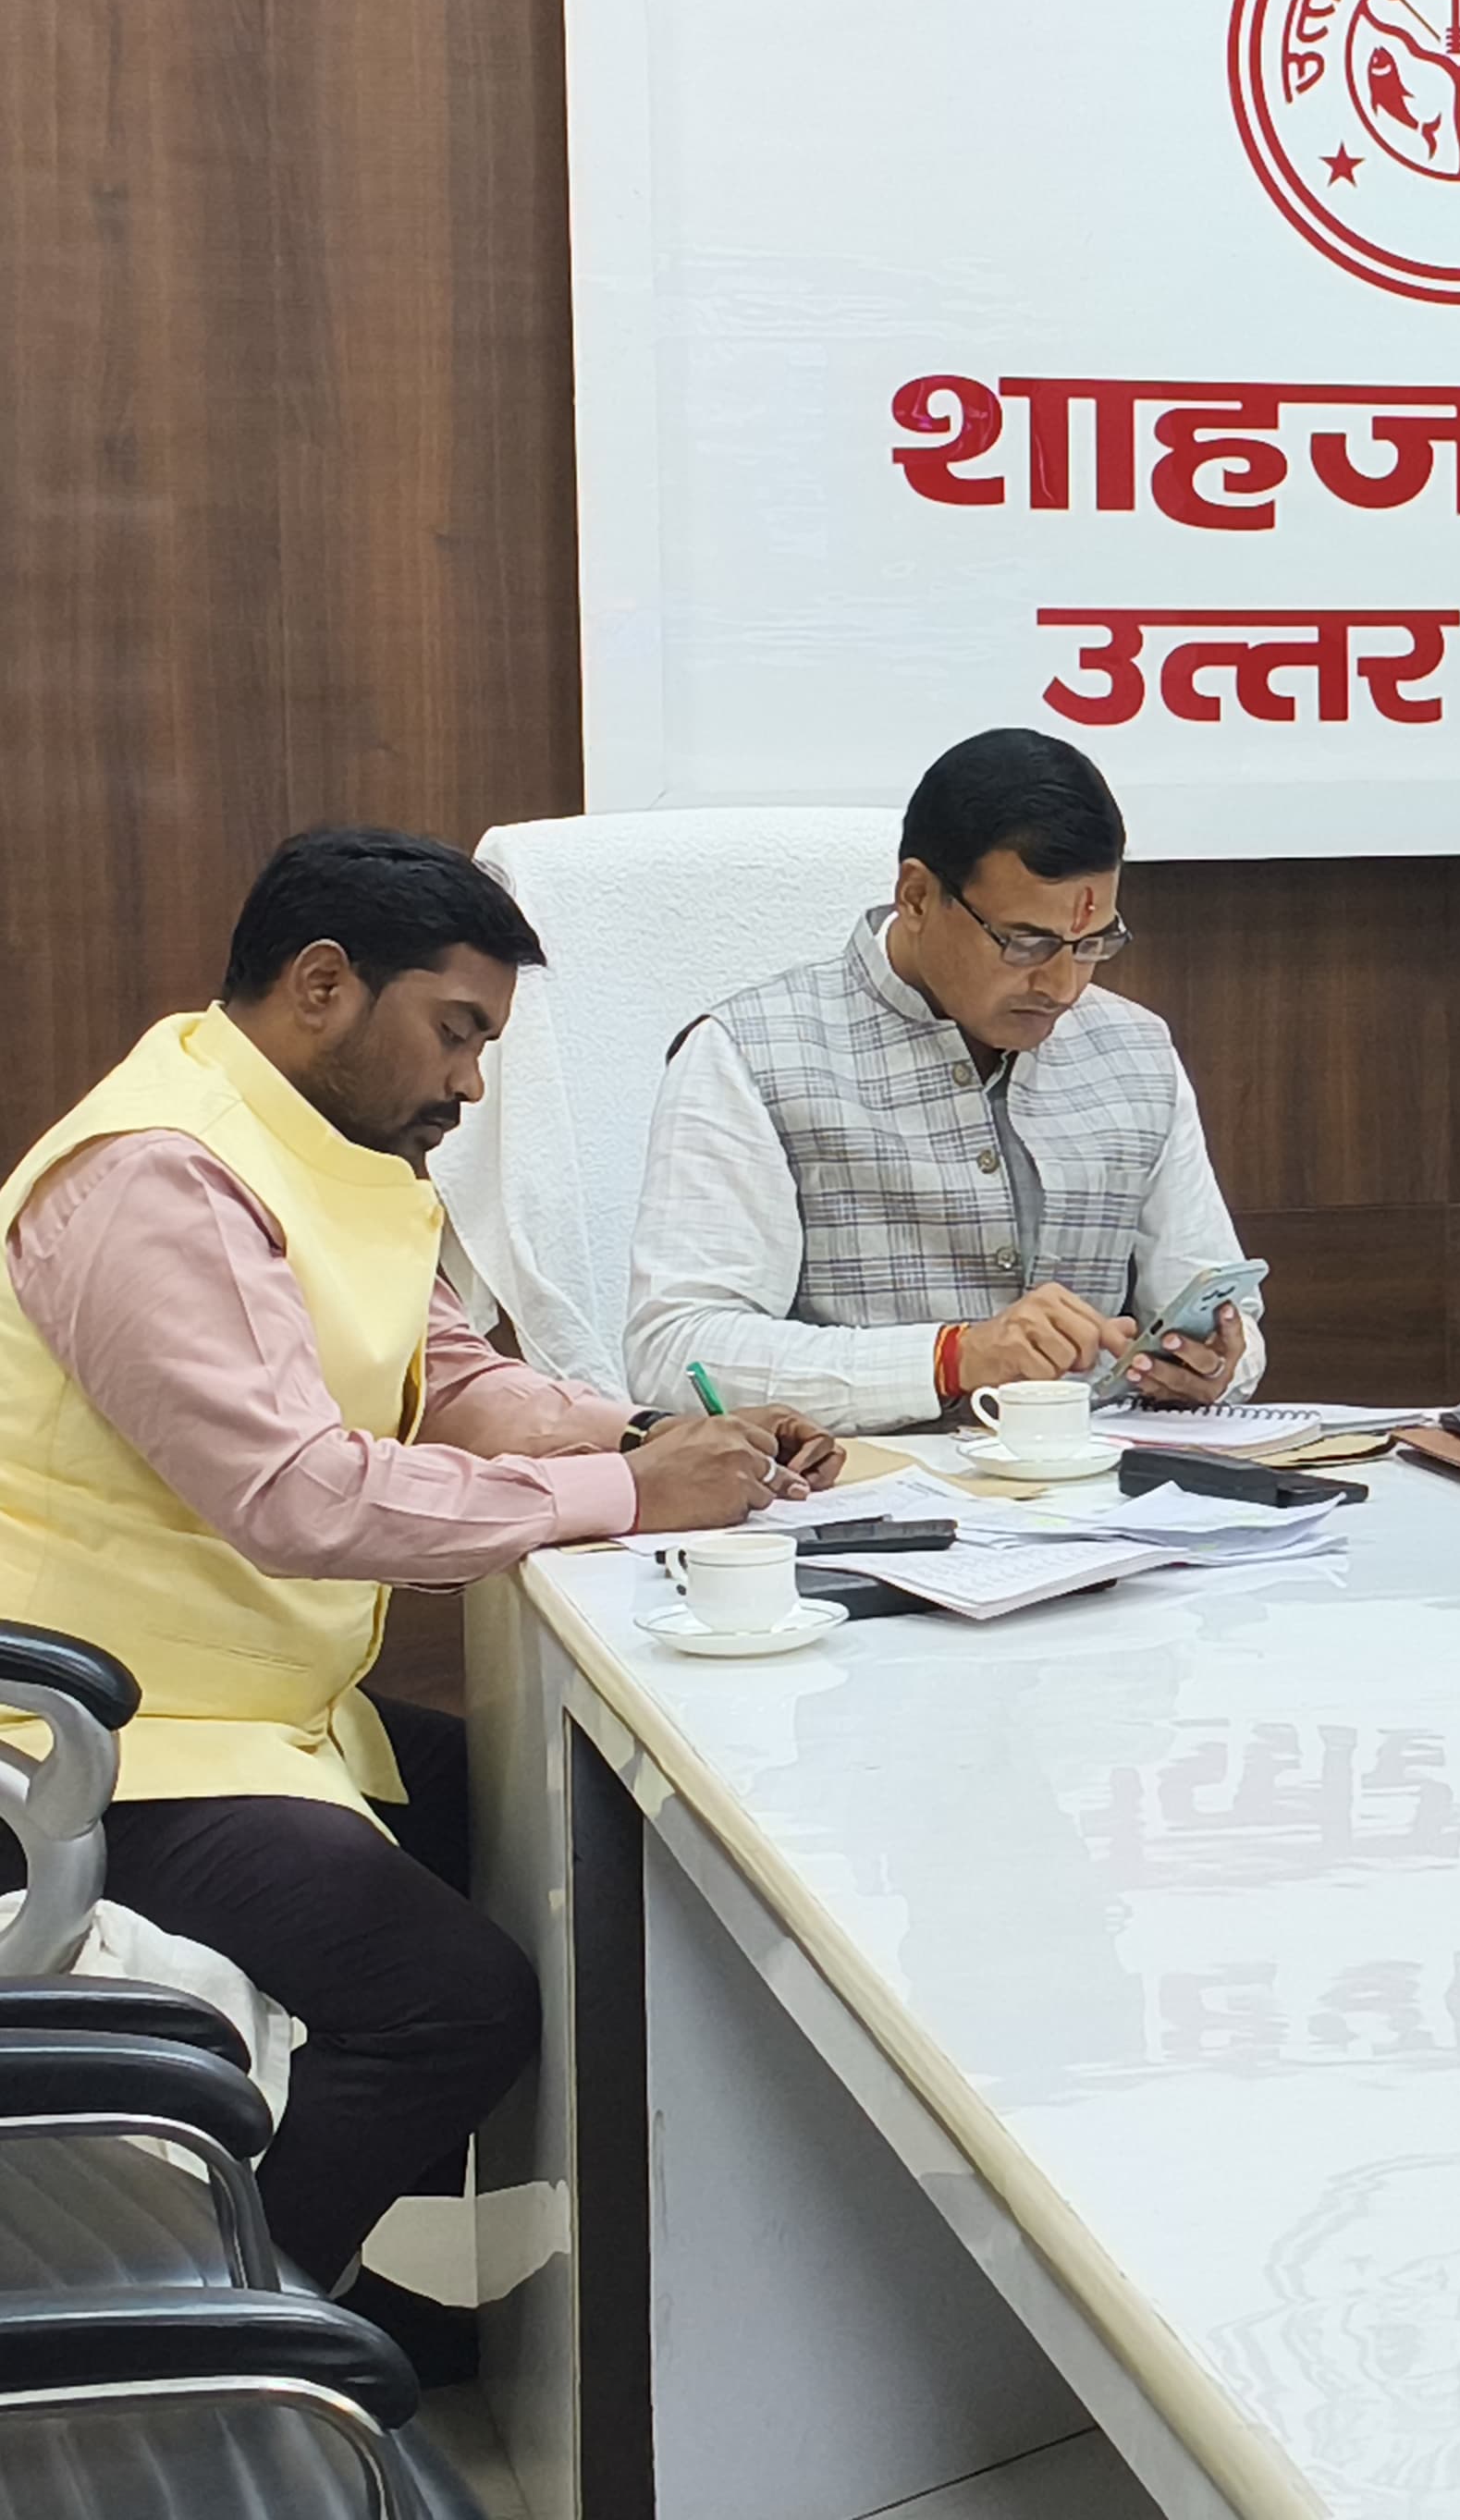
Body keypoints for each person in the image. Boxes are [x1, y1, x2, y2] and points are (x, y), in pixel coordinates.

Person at [0, 827, 832, 2367]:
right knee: (449, 1998)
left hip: (233, 1710)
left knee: (544, 1829)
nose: (472, 1082)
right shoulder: (159, 1176)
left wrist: (651, 1438)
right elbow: (298, 1495)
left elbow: (444, 1374)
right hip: (82, 1739)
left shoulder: (320, 1150)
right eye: (457, 1032)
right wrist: (633, 1495)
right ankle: (213, 2342)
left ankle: (308, 2255)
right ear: (324, 985)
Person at [625, 728, 1258, 1434]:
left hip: (1104, 1480)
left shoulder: (1134, 1048)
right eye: (1027, 943)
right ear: (918, 896)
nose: (1063, 986)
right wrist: (951, 1359)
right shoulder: (748, 1052)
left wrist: (1213, 1363)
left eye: (1092, 945)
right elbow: (676, 1354)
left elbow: (1221, 1306)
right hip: (853, 1490)